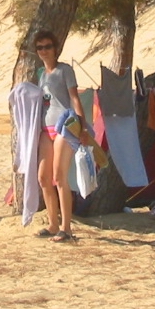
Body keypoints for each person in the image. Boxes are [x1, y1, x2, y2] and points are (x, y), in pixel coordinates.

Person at [34, 29, 88, 243]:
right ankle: (53, 224)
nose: (44, 51)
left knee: (59, 177)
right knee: (43, 178)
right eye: (40, 47)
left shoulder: (65, 70)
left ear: (55, 48)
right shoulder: (41, 74)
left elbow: (74, 98)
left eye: (48, 46)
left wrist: (83, 127)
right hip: (45, 128)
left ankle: (66, 228)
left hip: (63, 127)